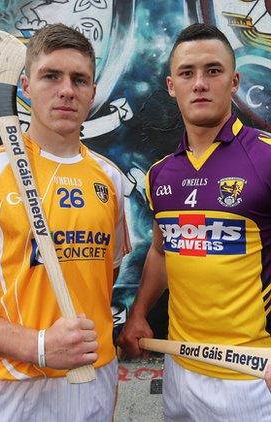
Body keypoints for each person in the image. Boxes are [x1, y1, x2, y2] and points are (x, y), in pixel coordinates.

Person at [0, 23, 130, 421]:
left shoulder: (110, 178)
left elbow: (106, 276)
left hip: (92, 379)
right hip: (3, 386)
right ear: (24, 84)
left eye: (80, 79)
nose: (66, 90)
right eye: (51, 76)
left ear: (93, 92)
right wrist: (37, 345)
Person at [118, 23, 271, 421]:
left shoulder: (267, 158)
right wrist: (137, 314)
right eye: (187, 73)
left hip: (253, 375)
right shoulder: (160, 175)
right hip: (179, 368)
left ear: (233, 81)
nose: (199, 83)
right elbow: (161, 250)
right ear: (172, 86)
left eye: (213, 71)